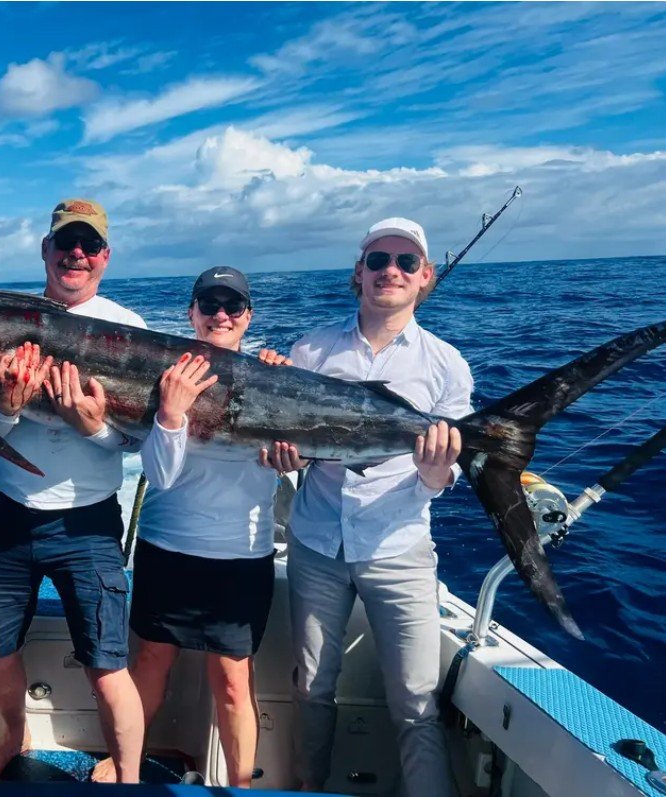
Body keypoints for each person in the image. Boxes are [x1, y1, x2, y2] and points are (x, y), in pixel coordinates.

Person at [261, 218, 469, 796]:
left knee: (416, 701)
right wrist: (287, 459)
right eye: (378, 261)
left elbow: (443, 473)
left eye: (406, 263)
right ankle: (309, 789)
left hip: (398, 549)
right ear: (359, 273)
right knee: (311, 688)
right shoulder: (311, 348)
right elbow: (291, 438)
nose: (391, 272)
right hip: (317, 545)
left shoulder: (446, 364)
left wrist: (435, 472)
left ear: (425, 277)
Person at [0, 199, 147, 784]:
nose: (77, 253)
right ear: (45, 250)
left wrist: (91, 425)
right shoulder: (5, 325)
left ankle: (126, 769)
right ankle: (12, 738)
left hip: (88, 524)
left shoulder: (130, 331)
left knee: (106, 664)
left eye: (89, 245)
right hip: (11, 515)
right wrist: (4, 407)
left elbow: (135, 442)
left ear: (105, 257)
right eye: (65, 243)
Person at [90, 266, 284, 787]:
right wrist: (171, 414)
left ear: (248, 317)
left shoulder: (276, 377)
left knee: (232, 679)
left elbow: (300, 457)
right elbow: (160, 475)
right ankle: (124, 761)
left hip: (242, 552)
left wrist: (294, 461)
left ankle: (240, 783)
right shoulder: (164, 374)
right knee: (150, 661)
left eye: (233, 306)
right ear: (191, 314)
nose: (221, 315)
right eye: (209, 304)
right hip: (168, 542)